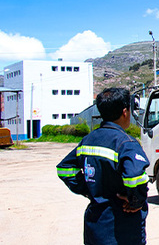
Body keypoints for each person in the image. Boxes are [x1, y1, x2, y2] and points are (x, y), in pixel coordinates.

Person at [57, 88, 150, 245]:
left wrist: (88, 190)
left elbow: (65, 168)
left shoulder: (88, 140)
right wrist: (135, 201)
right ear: (125, 112)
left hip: (95, 225)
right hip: (121, 228)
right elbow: (135, 177)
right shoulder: (126, 144)